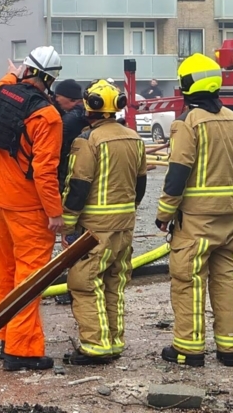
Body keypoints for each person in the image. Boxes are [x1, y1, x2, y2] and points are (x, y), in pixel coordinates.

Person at [156, 53, 233, 368]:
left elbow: (178, 173)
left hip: (195, 222)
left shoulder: (187, 122)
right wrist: (232, 201)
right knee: (226, 281)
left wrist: (163, 215)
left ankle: (188, 349)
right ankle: (229, 349)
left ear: (186, 86)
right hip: (230, 219)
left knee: (188, 281)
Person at [0, 46, 64, 371]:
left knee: (5, 273)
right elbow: (45, 171)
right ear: (51, 79)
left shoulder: (0, 94)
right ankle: (22, 350)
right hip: (28, 208)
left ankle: (5, 333)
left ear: (27, 71)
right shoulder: (47, 116)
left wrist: (12, 73)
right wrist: (55, 212)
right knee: (30, 278)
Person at [61, 80, 147, 365]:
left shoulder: (87, 141)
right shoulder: (134, 137)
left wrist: (68, 226)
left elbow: (78, 187)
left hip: (94, 229)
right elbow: (141, 184)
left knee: (84, 282)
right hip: (125, 224)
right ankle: (113, 341)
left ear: (90, 106)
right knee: (114, 281)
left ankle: (95, 346)